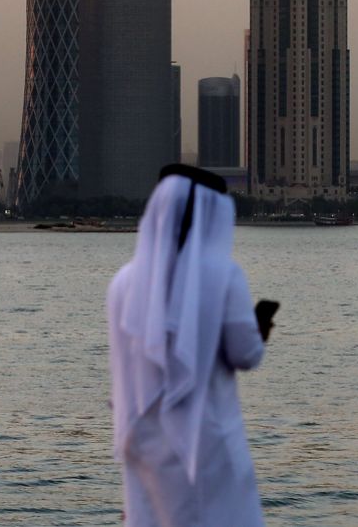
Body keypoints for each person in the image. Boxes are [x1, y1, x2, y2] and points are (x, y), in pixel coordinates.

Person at [108, 164, 275, 527]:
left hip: (144, 441)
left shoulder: (123, 282)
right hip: (206, 443)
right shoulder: (223, 274)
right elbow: (246, 354)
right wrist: (259, 330)